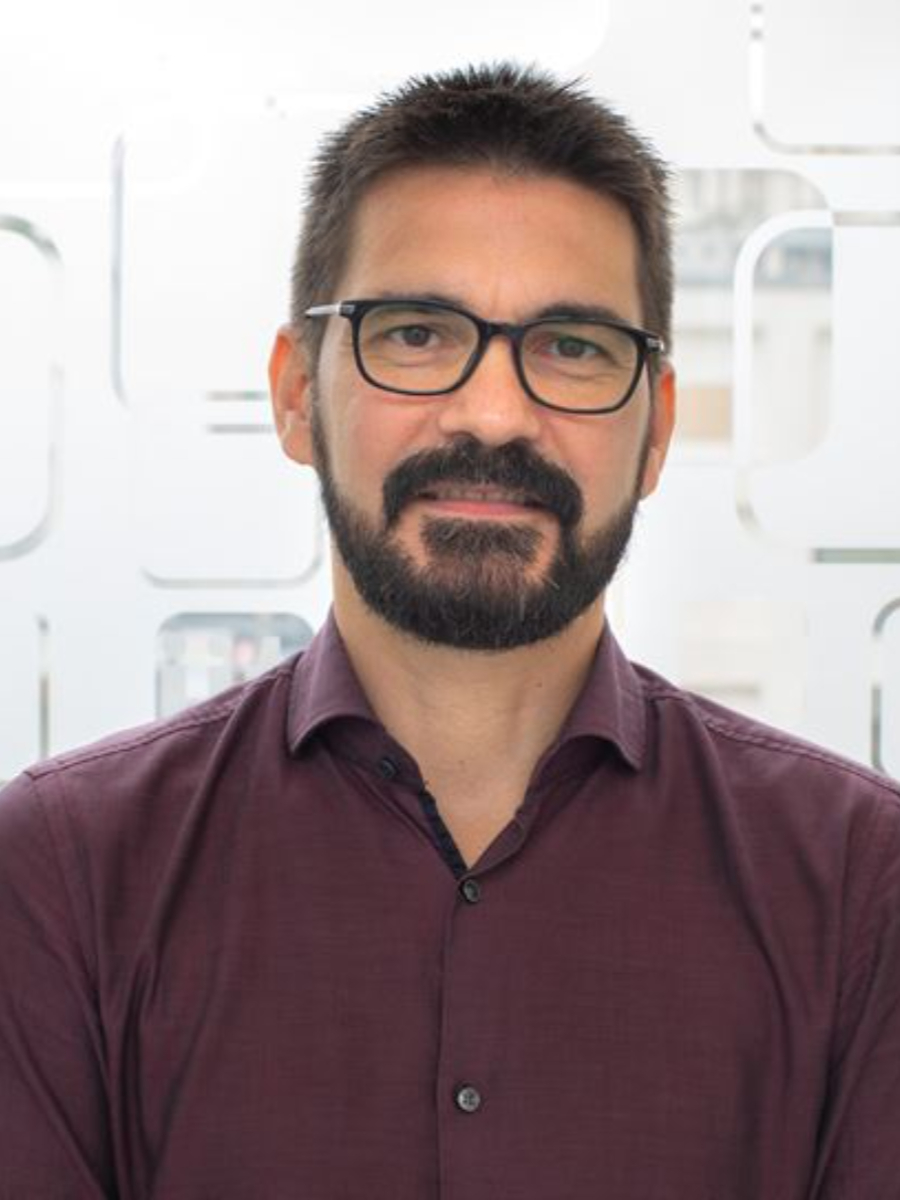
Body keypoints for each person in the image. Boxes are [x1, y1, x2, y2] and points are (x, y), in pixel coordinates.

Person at [1, 62, 898, 1200]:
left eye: (572, 347)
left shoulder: (864, 886)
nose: (493, 412)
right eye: (417, 333)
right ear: (295, 397)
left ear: (658, 428)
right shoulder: (65, 873)